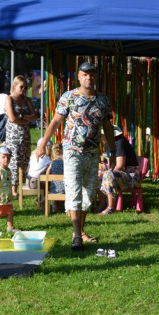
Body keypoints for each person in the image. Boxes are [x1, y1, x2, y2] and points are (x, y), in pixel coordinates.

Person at [35, 61, 116, 250]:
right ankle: (77, 236)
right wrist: (43, 144)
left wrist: (111, 150)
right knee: (73, 191)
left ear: (95, 77)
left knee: (88, 194)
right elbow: (55, 121)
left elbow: (108, 127)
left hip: (93, 153)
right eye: (85, 74)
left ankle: (80, 232)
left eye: (92, 74)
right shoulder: (69, 97)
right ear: (78, 76)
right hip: (72, 153)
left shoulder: (102, 100)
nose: (89, 77)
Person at [4, 75, 38, 194]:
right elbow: (12, 118)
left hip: (25, 135)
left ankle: (21, 184)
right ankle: (13, 188)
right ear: (14, 86)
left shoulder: (27, 100)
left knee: (25, 159)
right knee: (14, 160)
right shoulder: (9, 99)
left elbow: (35, 116)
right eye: (21, 87)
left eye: (26, 87)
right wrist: (26, 119)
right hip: (14, 136)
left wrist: (23, 117)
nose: (23, 90)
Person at [99, 125, 141, 215]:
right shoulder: (109, 144)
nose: (100, 136)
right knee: (98, 175)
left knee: (108, 175)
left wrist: (106, 172)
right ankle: (103, 203)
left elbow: (120, 166)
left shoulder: (120, 143)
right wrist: (103, 168)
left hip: (131, 176)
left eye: (102, 134)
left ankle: (110, 207)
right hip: (119, 175)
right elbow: (108, 163)